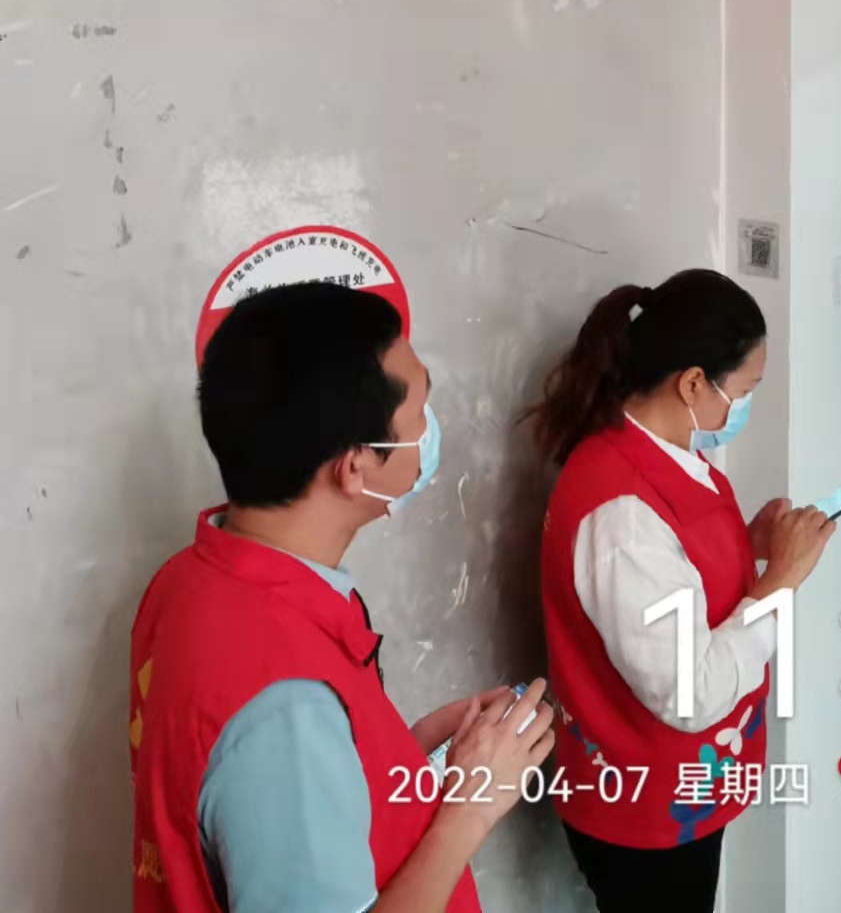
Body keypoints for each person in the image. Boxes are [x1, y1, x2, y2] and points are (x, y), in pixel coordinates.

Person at [130, 282, 555, 913]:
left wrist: (401, 755)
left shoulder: (190, 580)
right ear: (354, 467)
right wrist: (470, 809)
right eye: (420, 415)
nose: (431, 433)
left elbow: (284, 811)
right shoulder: (287, 707)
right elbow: (283, 755)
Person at [532, 269, 835, 913]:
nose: (743, 407)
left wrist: (750, 544)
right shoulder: (620, 515)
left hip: (678, 788)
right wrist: (781, 582)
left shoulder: (663, 452)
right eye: (744, 390)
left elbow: (674, 578)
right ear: (693, 383)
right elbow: (688, 692)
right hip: (643, 810)